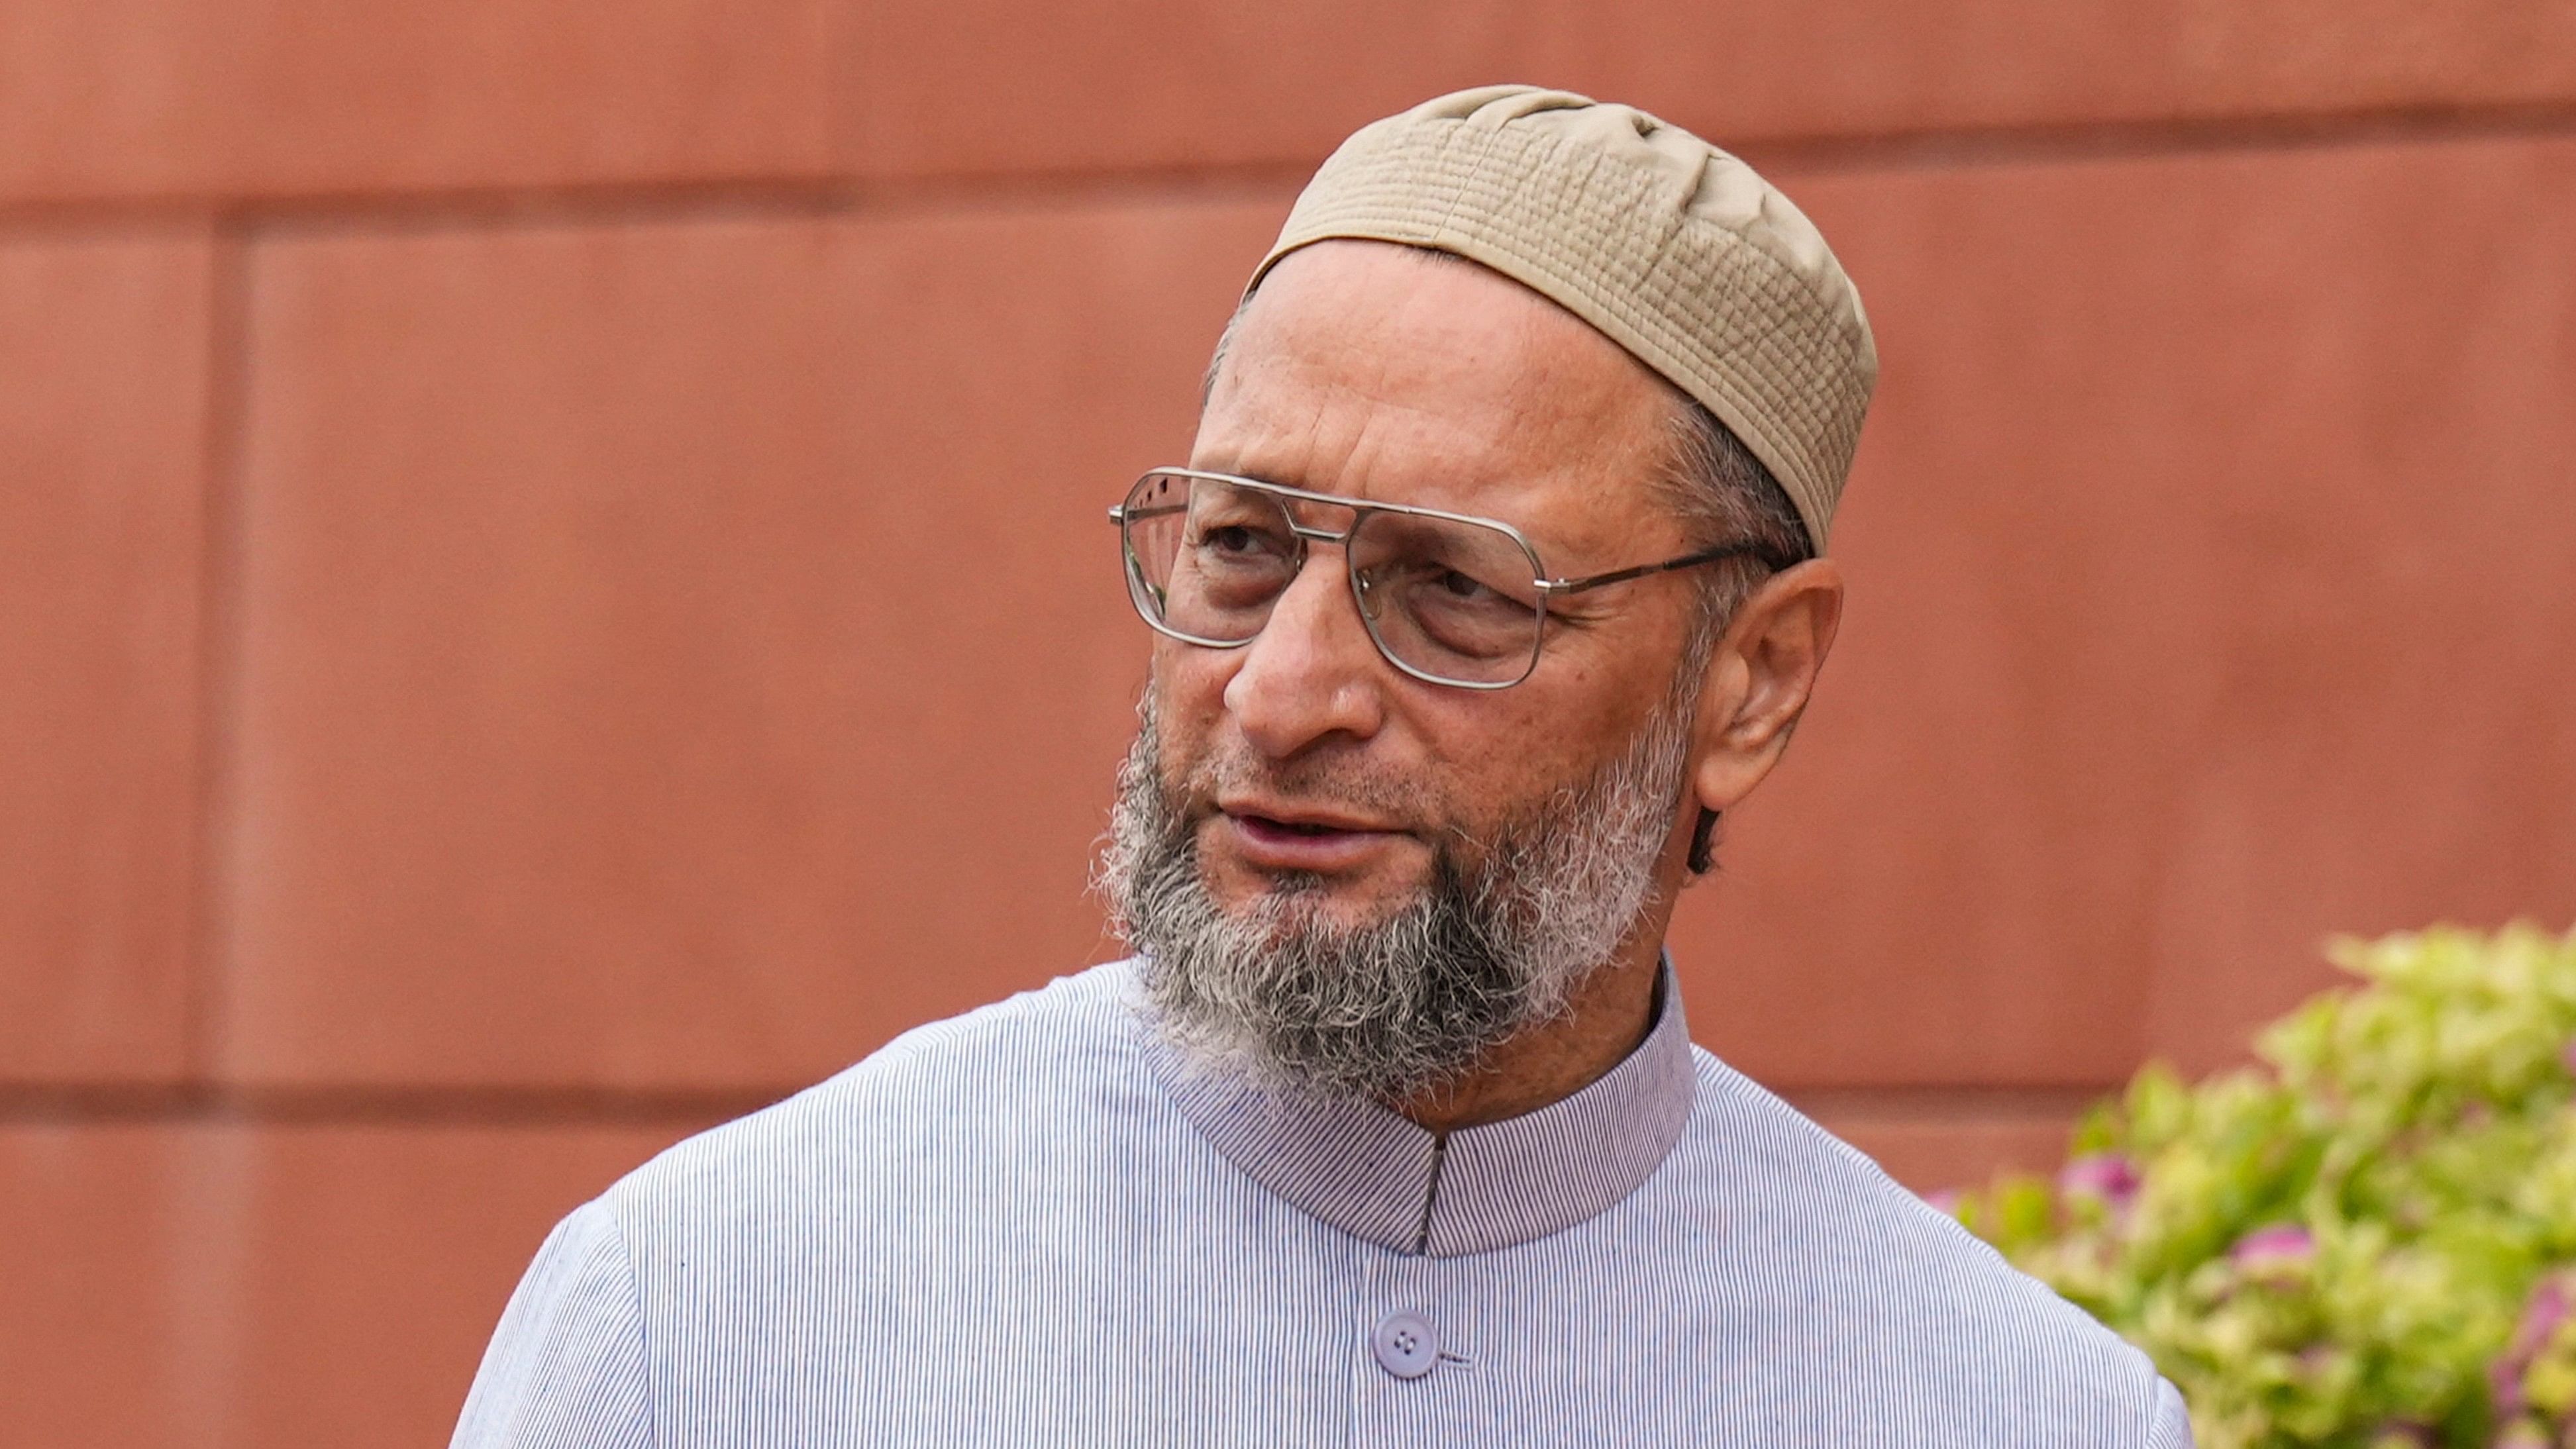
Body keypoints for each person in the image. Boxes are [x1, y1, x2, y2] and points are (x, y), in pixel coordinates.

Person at [453, 86, 2192, 1447]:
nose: (1279, 695)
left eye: (1449, 590)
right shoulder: (702, 1313)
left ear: (1750, 682)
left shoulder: (2010, 1413)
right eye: (1236, 547)